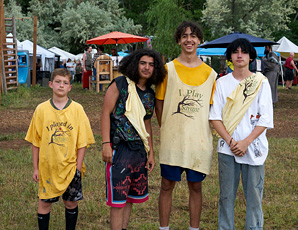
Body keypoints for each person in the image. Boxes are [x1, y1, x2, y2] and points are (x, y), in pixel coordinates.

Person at [155, 21, 217, 230]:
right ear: (179, 41)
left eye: (193, 36)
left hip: (198, 141)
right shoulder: (167, 69)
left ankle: (194, 228)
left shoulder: (211, 74)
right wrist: (167, 127)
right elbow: (160, 102)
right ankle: (164, 228)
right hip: (172, 139)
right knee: (166, 185)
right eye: (184, 36)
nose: (188, 40)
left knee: (196, 186)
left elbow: (211, 111)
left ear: (199, 40)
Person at [209, 38, 273, 230]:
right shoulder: (221, 83)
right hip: (227, 148)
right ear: (230, 56)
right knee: (226, 195)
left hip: (253, 147)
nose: (239, 55)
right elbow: (215, 117)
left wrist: (246, 142)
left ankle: (254, 227)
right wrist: (231, 142)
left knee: (254, 194)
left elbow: (265, 119)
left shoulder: (261, 83)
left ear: (251, 56)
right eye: (235, 52)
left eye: (243, 52)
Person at [101, 49, 166, 230]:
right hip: (119, 147)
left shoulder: (150, 94)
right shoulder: (120, 84)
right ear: (135, 64)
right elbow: (106, 113)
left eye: (151, 65)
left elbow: (147, 125)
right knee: (118, 199)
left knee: (129, 197)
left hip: (138, 151)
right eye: (143, 63)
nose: (147, 68)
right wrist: (106, 144)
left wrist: (150, 153)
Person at [25, 68, 95, 230]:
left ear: (70, 87)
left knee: (70, 203)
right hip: (47, 167)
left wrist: (78, 167)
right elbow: (36, 142)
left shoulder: (77, 109)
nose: (61, 86)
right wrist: (35, 168)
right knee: (44, 203)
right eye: (57, 82)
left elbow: (82, 142)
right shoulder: (41, 109)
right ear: (50, 84)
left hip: (70, 167)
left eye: (65, 83)